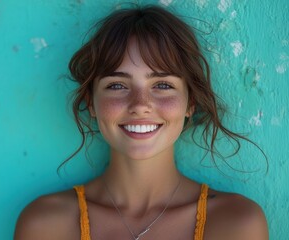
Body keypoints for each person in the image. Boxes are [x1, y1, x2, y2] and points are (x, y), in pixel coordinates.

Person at [14, 5, 268, 240]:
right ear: (91, 102)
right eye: (117, 85)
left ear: (190, 102)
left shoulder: (235, 223)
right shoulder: (46, 225)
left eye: (162, 85)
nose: (140, 104)